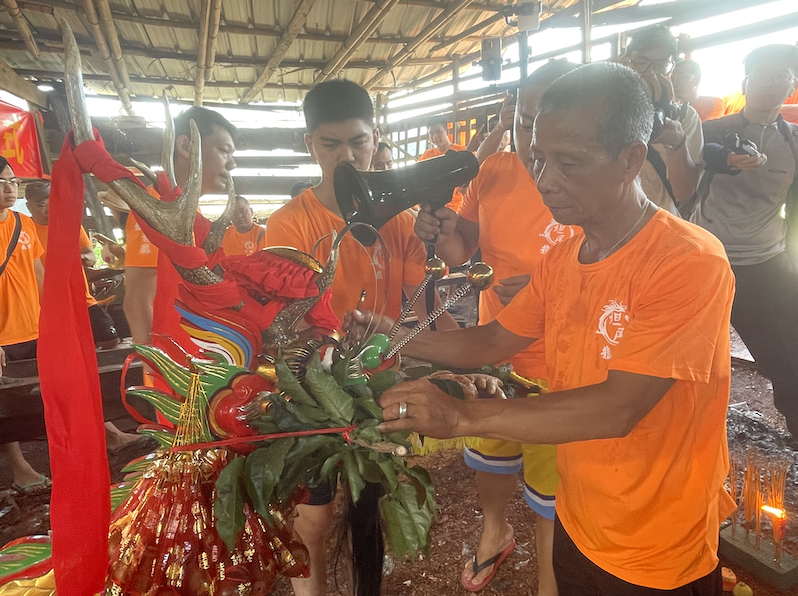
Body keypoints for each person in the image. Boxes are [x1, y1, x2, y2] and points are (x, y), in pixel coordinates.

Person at [350, 62, 735, 595]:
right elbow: (494, 339)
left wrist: (461, 416)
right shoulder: (565, 257)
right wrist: (396, 336)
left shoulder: (687, 262)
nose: (545, 180)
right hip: (580, 514)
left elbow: (619, 407)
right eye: (538, 158)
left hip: (655, 544)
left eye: (568, 163)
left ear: (631, 159)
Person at [265, 78, 457, 596]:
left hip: (379, 388)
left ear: (376, 138)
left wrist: (437, 241)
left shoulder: (403, 223)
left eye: (358, 142)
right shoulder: (289, 225)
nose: (347, 157)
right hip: (313, 394)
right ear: (310, 144)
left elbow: (420, 309)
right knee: (314, 516)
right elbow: (286, 323)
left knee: (370, 505)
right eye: (331, 144)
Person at [414, 59, 578, 595]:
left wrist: (549, 286)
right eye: (525, 122)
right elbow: (462, 250)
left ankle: (549, 578)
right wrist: (441, 234)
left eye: (547, 124)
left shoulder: (586, 180)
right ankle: (495, 530)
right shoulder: (495, 170)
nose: (533, 141)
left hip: (561, 362)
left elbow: (613, 269)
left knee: (552, 486)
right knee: (491, 454)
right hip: (495, 352)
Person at [690, 44, 798, 442]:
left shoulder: (793, 141)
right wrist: (729, 160)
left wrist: (792, 256)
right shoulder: (716, 130)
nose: (771, 83)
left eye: (781, 75)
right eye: (762, 75)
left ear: (791, 85)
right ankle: (689, 430)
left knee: (788, 354)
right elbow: (701, 152)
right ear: (745, 83)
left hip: (767, 260)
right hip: (709, 259)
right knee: (694, 353)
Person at [149, 107, 237, 360]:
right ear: (186, 147)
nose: (232, 163)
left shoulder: (188, 210)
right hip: (173, 364)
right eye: (224, 150)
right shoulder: (156, 207)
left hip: (196, 355)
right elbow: (140, 296)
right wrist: (153, 364)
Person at [0, 158, 52, 495]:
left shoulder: (23, 223)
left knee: (49, 394)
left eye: (13, 181)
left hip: (34, 328)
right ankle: (21, 470)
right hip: (3, 337)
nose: (10, 188)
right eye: (2, 182)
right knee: (6, 408)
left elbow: (38, 273)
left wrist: (54, 321)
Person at [25, 181, 120, 350]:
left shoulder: (70, 225)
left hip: (80, 298)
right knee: (63, 347)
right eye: (41, 205)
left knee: (109, 339)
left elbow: (91, 257)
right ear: (29, 206)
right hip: (45, 304)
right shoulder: (23, 229)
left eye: (52, 203)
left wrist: (78, 258)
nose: (48, 209)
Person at [621, 24, 702, 215]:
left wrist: (677, 144)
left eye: (661, 65)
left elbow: (684, 192)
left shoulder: (684, 117)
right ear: (626, 62)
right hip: (606, 223)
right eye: (642, 62)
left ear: (670, 67)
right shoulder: (602, 108)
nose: (651, 72)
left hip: (659, 223)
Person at [419, 116, 468, 211]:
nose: (435, 137)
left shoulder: (462, 152)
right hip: (433, 209)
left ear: (447, 131)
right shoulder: (426, 156)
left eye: (438, 132)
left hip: (458, 208)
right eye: (431, 133)